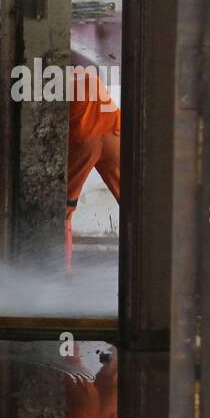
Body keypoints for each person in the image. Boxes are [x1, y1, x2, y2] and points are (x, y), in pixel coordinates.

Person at [66, 59, 121, 271]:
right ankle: (148, 261)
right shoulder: (91, 77)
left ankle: (63, 270)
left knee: (65, 208)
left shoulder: (56, 83)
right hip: (115, 136)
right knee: (135, 204)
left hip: (85, 142)